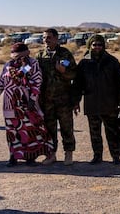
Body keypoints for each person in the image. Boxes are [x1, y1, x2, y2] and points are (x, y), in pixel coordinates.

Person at [0, 42, 54, 166]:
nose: (18, 58)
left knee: (28, 129)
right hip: (9, 103)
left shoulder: (32, 64)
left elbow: (37, 81)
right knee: (11, 130)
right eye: (15, 56)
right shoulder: (8, 65)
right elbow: (1, 82)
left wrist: (32, 99)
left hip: (25, 103)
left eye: (20, 56)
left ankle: (30, 157)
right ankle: (13, 156)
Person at [72, 34, 120, 165]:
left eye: (100, 45)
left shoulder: (112, 61)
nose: (97, 47)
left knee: (112, 132)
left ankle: (116, 155)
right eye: (94, 45)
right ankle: (97, 155)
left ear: (104, 46)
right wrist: (76, 101)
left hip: (109, 103)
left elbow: (119, 83)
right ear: (90, 45)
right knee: (94, 132)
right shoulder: (84, 63)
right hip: (92, 103)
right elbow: (78, 84)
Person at [36, 28, 77, 166]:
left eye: (48, 37)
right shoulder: (40, 55)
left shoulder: (65, 54)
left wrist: (64, 72)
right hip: (46, 100)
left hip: (63, 99)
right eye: (43, 38)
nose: (45, 40)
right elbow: (32, 72)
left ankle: (69, 153)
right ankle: (51, 154)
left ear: (56, 38)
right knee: (49, 129)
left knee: (66, 127)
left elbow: (74, 74)